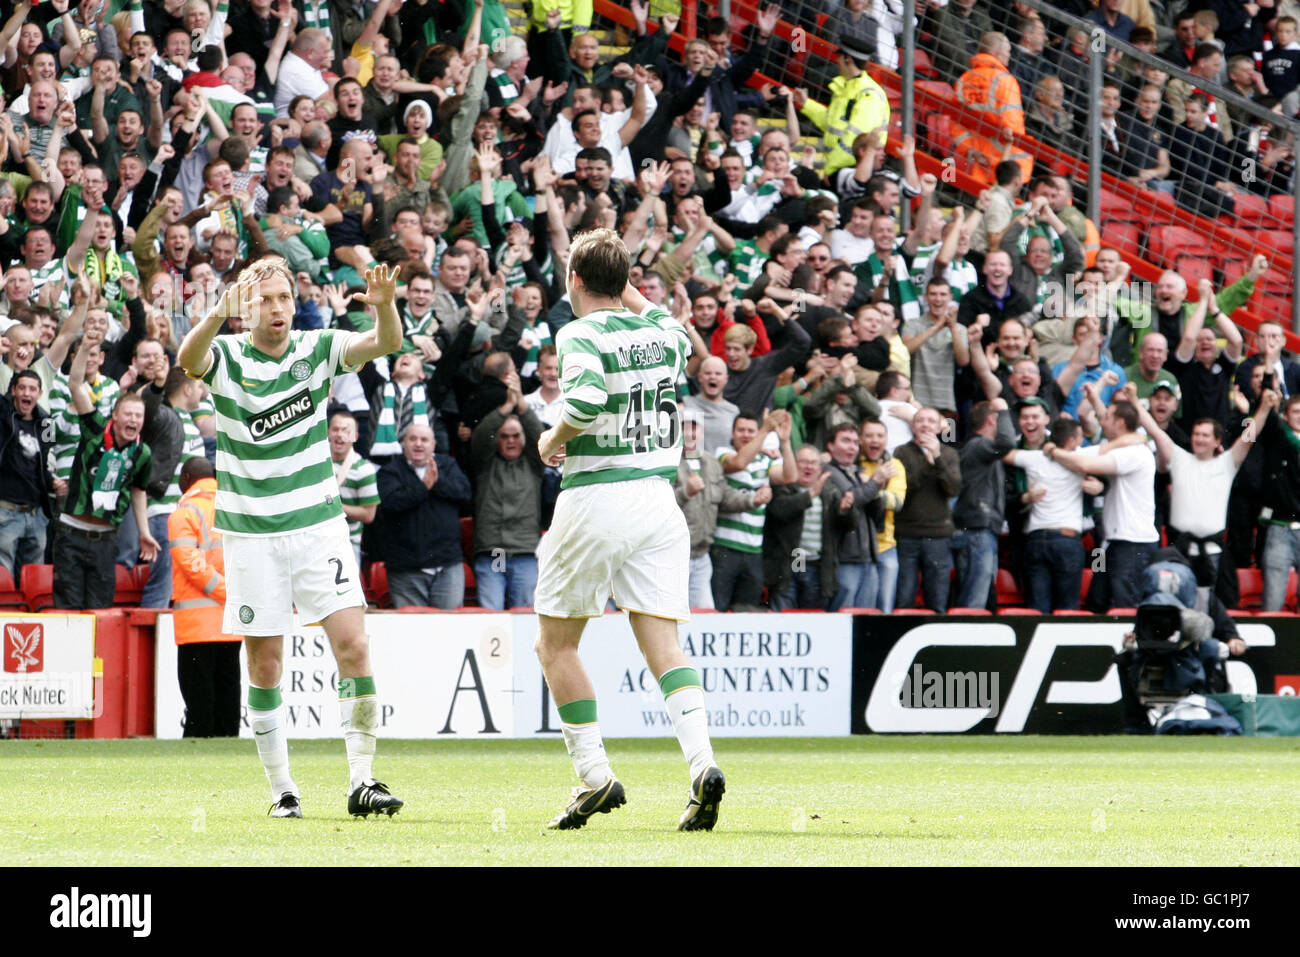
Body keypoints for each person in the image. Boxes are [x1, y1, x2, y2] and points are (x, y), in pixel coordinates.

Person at [177, 256, 406, 820]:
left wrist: (385, 307)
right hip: (253, 537)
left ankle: (363, 779)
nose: (278, 308)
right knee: (266, 667)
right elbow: (187, 361)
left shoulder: (316, 348)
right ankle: (284, 789)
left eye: (284, 297)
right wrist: (216, 314)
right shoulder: (227, 355)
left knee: (353, 645)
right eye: (266, 300)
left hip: (318, 527)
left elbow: (384, 345)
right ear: (246, 307)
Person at [533, 228, 725, 832]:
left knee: (555, 644)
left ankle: (593, 775)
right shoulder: (665, 335)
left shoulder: (577, 331)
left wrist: (551, 439)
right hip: (658, 502)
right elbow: (661, 317)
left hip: (597, 497)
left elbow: (585, 401)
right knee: (665, 648)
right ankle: (702, 766)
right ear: (626, 284)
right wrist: (627, 288)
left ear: (574, 281)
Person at [53, 341, 158, 611]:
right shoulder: (95, 429)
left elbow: (139, 491)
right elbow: (76, 385)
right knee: (69, 613)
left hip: (106, 540)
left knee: (101, 614)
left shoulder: (142, 453)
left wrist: (144, 533)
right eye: (129, 414)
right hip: (71, 535)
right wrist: (86, 346)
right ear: (115, 415)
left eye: (139, 416)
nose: (134, 420)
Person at [1043, 399, 1159, 609]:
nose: (1102, 422)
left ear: (1120, 423)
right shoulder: (1123, 448)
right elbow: (1081, 455)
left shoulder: (1135, 453)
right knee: (1096, 599)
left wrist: (1052, 451)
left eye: (1107, 417)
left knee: (1126, 603)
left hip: (1132, 544)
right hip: (1108, 544)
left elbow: (1085, 463)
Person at [168, 457, 241, 738]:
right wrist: (234, 595)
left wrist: (223, 591)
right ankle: (229, 757)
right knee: (228, 697)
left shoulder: (185, 512)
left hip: (196, 625)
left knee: (199, 703)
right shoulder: (232, 508)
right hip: (230, 623)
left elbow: (190, 562)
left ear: (186, 478)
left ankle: (198, 761)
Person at [1004, 417, 1103, 613]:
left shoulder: (1033, 457)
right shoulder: (1082, 456)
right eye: (1080, 438)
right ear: (1071, 442)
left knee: (1037, 610)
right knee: (1068, 611)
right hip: (1067, 539)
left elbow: (1003, 453)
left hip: (1036, 539)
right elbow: (1119, 444)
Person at [373, 423, 473, 608]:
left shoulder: (447, 465)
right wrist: (422, 488)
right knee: (411, 633)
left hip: (447, 566)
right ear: (404, 443)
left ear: (433, 445)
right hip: (405, 571)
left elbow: (465, 494)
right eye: (413, 439)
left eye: (424, 439)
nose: (418, 444)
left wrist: (437, 482)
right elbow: (390, 503)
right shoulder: (390, 471)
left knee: (448, 630)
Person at [469, 372, 545, 610]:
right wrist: (506, 408)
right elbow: (481, 436)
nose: (510, 441)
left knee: (525, 613)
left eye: (516, 436)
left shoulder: (534, 464)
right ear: (497, 439)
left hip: (524, 552)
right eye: (504, 436)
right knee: (491, 614)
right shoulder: (485, 464)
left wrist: (521, 405)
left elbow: (540, 437)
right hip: (495, 552)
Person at [892, 407, 961, 611]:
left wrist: (937, 459)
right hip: (907, 535)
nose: (925, 425)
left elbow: (954, 489)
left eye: (931, 421)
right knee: (904, 598)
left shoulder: (949, 453)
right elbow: (906, 487)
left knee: (938, 601)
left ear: (940, 427)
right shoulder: (901, 452)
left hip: (938, 536)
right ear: (913, 427)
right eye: (920, 421)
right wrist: (926, 464)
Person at [0, 369, 53, 579]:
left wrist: (54, 483)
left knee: (35, 578)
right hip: (6, 511)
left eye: (33, 389)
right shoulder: (4, 415)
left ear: (40, 393)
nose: (27, 394)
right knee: (3, 578)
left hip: (36, 514)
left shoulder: (48, 423)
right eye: (22, 388)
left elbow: (49, 462)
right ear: (13, 391)